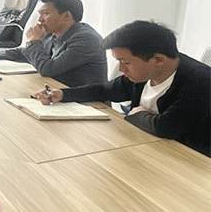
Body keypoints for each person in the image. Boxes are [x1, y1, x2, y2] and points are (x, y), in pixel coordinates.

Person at [34, 21, 210, 157]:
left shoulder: (201, 82)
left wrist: (137, 114)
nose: (120, 69)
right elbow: (105, 89)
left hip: (191, 161)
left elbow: (165, 127)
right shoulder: (144, 75)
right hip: (149, 147)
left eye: (125, 62)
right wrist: (63, 94)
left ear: (158, 60)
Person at [0, 0, 107, 87]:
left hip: (89, 105)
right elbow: (25, 52)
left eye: (45, 13)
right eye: (40, 14)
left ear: (66, 16)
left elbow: (48, 69)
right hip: (57, 92)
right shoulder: (52, 33)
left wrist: (34, 41)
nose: (40, 19)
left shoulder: (86, 40)